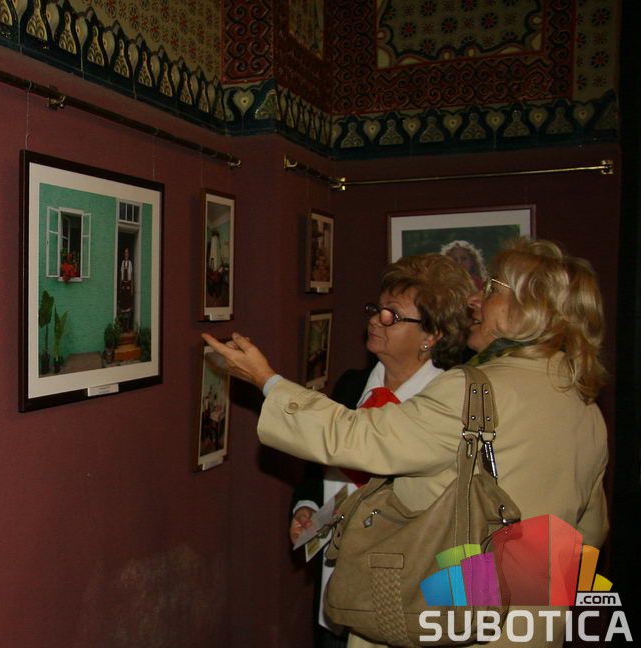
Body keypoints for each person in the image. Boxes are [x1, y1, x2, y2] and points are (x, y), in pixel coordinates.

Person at [204, 238, 609, 647]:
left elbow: (358, 438)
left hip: (446, 627)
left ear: (528, 309)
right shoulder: (582, 404)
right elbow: (588, 532)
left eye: (491, 289)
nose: (475, 300)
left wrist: (266, 381)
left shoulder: (473, 391)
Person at [288, 254, 475, 648]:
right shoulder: (351, 385)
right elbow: (318, 464)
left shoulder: (449, 402)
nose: (376, 320)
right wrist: (306, 507)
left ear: (432, 335)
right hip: (336, 587)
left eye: (393, 315)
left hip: (410, 594)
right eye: (377, 309)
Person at [118, 247, 134, 330]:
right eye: (125, 253)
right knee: (123, 305)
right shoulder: (122, 263)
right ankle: (123, 325)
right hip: (123, 285)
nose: (126, 254)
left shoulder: (130, 263)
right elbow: (121, 274)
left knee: (128, 305)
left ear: (129, 254)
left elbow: (131, 275)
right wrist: (120, 286)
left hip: (128, 284)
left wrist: (132, 288)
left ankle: (127, 326)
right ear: (124, 254)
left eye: (127, 253)